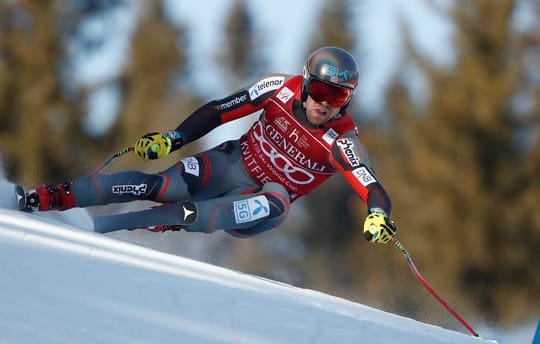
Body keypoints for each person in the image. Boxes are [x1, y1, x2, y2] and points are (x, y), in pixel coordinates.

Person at [18, 46, 397, 243]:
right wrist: (173, 139)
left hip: (261, 201)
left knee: (266, 200)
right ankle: (46, 198)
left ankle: (100, 231)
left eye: (338, 97)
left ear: (347, 100)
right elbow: (219, 111)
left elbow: (372, 188)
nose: (324, 103)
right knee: (159, 187)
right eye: (320, 90)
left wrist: (378, 215)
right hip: (231, 164)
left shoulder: (341, 139)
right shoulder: (279, 88)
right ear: (306, 82)